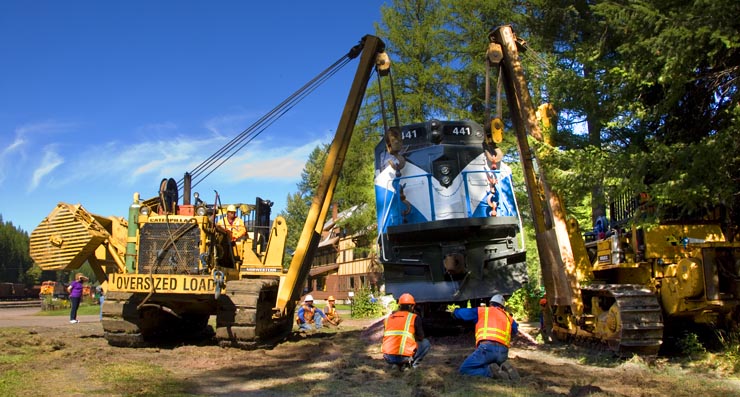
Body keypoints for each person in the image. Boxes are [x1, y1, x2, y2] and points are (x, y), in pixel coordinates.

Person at [452, 294, 536, 381]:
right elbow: (515, 330)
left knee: (465, 369)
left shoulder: (483, 311)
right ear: (502, 307)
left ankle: (491, 373)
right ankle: (504, 371)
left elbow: (463, 313)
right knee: (490, 364)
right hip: (503, 354)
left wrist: (455, 312)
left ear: (490, 303)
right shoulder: (509, 317)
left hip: (487, 349)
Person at [381, 293, 431, 371]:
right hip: (404, 357)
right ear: (412, 306)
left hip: (388, 357)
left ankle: (396, 364)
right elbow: (421, 337)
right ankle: (411, 366)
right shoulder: (414, 318)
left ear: (399, 305)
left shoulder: (388, 318)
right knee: (425, 343)